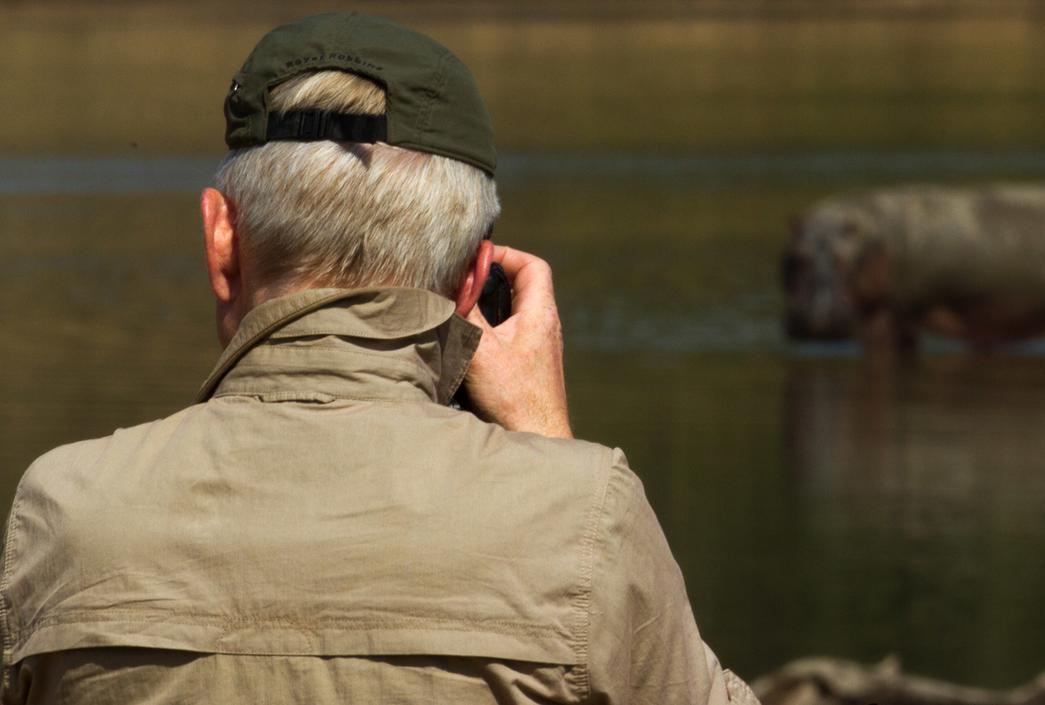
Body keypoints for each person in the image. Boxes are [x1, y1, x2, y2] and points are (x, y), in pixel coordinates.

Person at [0, 12, 757, 705]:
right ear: (474, 279)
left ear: (221, 242)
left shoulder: (67, 516)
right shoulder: (588, 522)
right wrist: (549, 451)